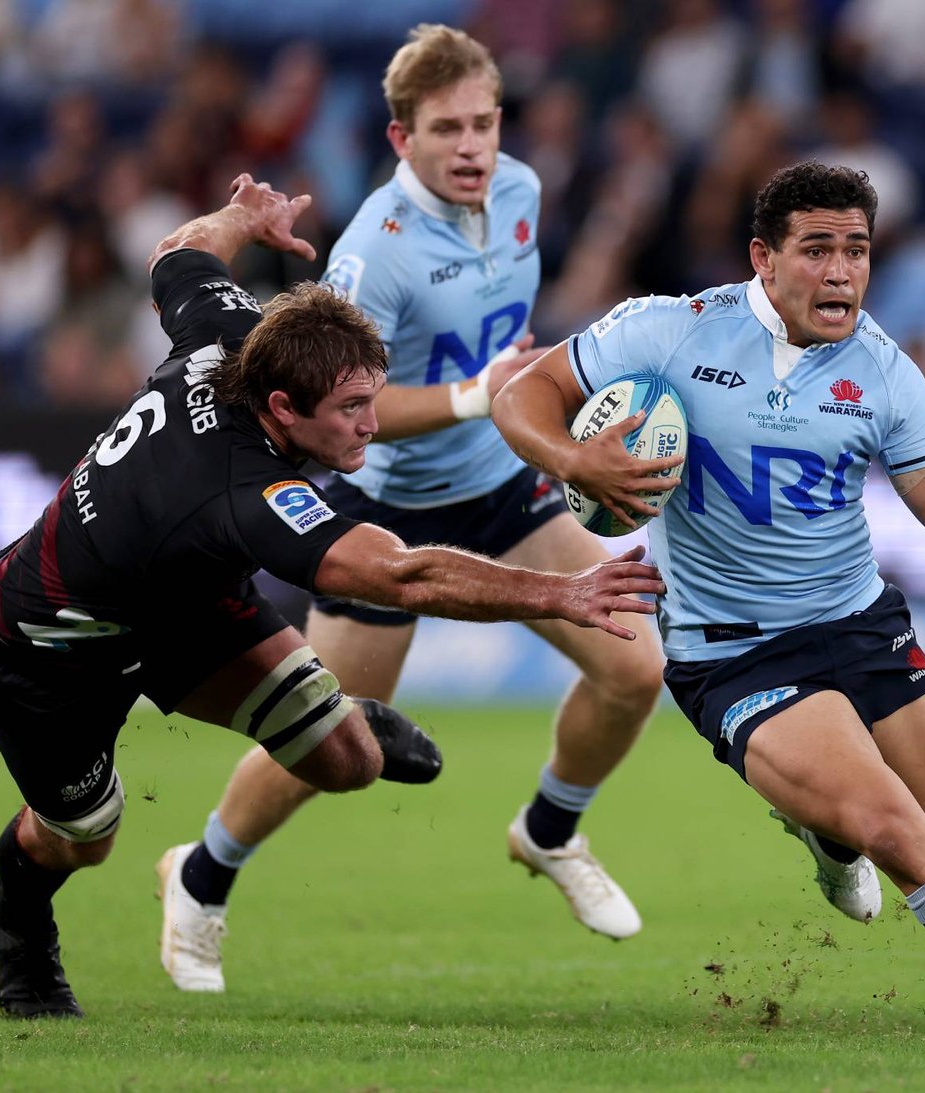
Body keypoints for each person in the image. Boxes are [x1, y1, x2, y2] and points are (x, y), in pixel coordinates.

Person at [490, 160, 925, 1053]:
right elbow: (521, 394)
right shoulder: (671, 330)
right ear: (763, 260)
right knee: (896, 829)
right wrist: (577, 464)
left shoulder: (884, 369)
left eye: (857, 249)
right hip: (736, 654)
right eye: (818, 250)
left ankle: (825, 837)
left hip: (861, 626)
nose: (842, 270)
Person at [0, 174, 664, 1019]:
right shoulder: (245, 493)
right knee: (86, 835)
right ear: (286, 409)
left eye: (374, 396)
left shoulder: (240, 338)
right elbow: (403, 573)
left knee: (348, 762)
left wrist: (241, 218)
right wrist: (563, 591)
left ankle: (345, 719)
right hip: (49, 642)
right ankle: (16, 919)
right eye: (353, 410)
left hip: (178, 606)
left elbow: (176, 253)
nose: (372, 425)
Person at [154, 24, 665, 994]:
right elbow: (350, 409)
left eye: (484, 122)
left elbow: (506, 346)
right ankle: (200, 873)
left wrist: (537, 414)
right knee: (325, 741)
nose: (472, 146)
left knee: (636, 665)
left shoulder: (521, 190)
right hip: (383, 509)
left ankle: (549, 829)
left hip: (501, 488)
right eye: (446, 130)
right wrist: (477, 395)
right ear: (400, 140)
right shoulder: (371, 255)